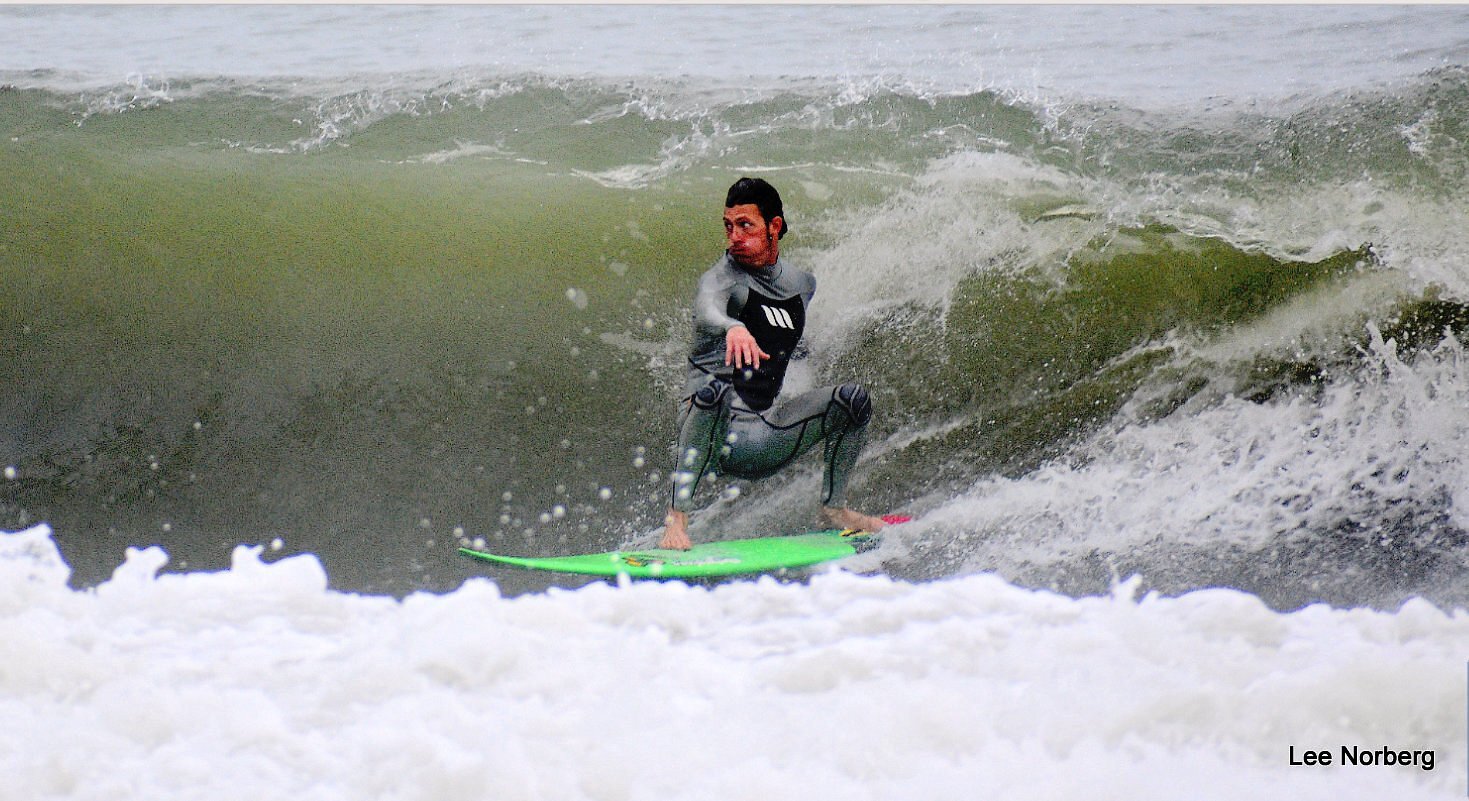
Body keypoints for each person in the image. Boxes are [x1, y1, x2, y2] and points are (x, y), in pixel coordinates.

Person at [658, 177, 888, 550]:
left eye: (745, 225)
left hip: (766, 437)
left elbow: (787, 340)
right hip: (713, 439)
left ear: (774, 226)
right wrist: (733, 327)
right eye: (728, 226)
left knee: (853, 400)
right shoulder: (721, 281)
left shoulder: (802, 284)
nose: (734, 237)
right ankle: (676, 522)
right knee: (713, 391)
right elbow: (707, 308)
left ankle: (834, 510)